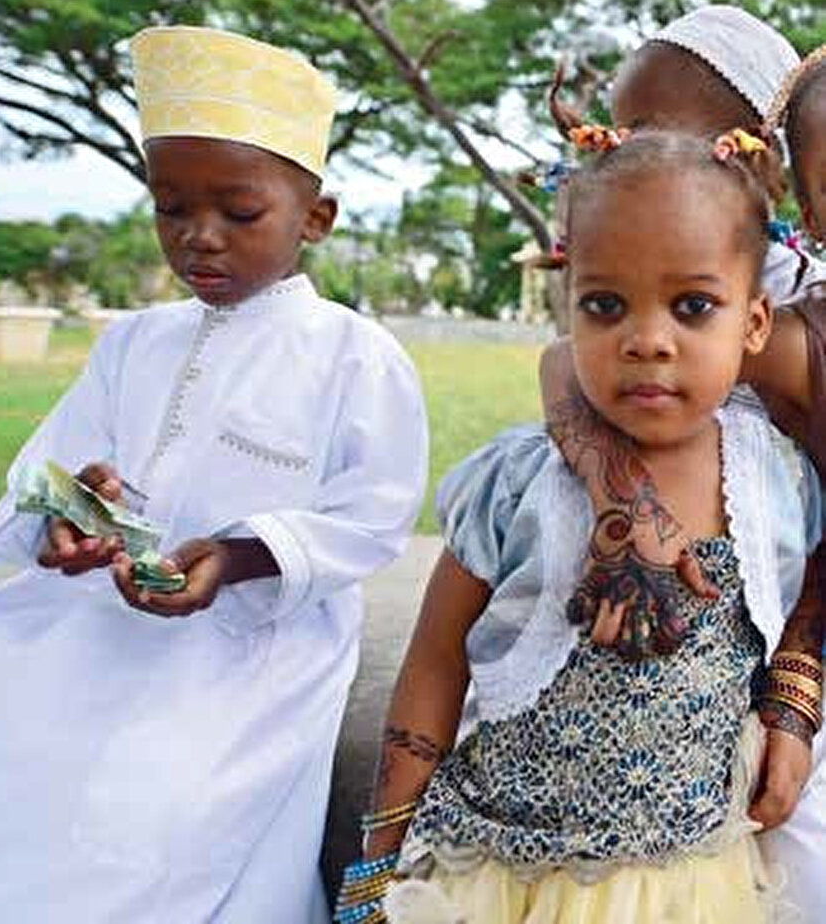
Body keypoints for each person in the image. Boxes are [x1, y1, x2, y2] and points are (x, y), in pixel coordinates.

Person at [0, 26, 428, 923]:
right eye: (170, 210)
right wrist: (72, 518)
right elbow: (55, 469)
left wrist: (237, 559)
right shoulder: (133, 341)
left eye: (239, 214)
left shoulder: (355, 355)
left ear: (316, 218)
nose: (199, 239)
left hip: (251, 646)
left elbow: (372, 517)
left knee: (149, 815)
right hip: (91, 617)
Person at [334, 128, 820, 924]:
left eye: (693, 306)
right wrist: (377, 859)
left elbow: (786, 626)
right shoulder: (514, 483)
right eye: (605, 304)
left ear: (756, 322)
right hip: (496, 879)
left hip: (693, 886)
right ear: (566, 313)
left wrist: (791, 718)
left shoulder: (780, 485)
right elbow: (433, 661)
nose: (647, 339)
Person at [541, 9, 826, 882]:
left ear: (765, 165)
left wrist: (797, 687)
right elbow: (561, 363)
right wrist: (623, 497)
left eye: (657, 137)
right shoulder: (691, 293)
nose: (629, 161)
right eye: (615, 138)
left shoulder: (786, 315)